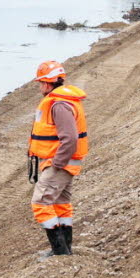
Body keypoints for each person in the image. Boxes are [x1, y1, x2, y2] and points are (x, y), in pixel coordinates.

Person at [28, 60, 89, 257]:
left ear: (47, 83)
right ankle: (66, 249)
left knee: (41, 202)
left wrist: (57, 164)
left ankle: (60, 251)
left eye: (40, 83)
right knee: (61, 203)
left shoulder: (58, 105)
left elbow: (69, 138)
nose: (40, 87)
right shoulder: (63, 101)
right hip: (64, 163)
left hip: (60, 164)